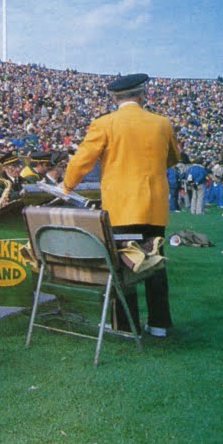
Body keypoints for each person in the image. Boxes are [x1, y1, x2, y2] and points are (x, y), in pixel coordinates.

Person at [63, 73, 179, 338]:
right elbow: (172, 157)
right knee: (155, 262)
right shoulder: (162, 123)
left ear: (115, 97)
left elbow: (82, 161)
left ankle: (125, 324)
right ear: (142, 94)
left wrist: (67, 186)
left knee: (122, 265)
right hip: (154, 207)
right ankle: (160, 324)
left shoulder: (105, 123)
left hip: (122, 207)